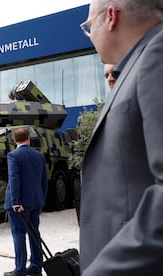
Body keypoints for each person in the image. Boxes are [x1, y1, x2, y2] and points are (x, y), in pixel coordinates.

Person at [79, 1, 163, 275]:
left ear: (111, 17)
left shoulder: (156, 55)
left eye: (89, 26)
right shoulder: (136, 64)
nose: (90, 35)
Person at [4, 127, 48, 276]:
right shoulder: (39, 156)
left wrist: (15, 201)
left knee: (19, 234)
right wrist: (41, 199)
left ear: (14, 140)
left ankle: (20, 269)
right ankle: (36, 266)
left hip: (19, 203)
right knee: (34, 234)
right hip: (36, 202)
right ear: (28, 138)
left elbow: (14, 179)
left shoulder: (13, 155)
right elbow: (44, 181)